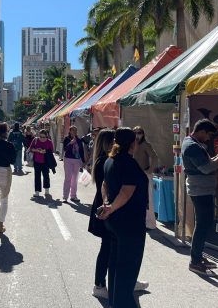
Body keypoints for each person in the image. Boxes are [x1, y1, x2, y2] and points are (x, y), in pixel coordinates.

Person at [98, 127, 149, 308]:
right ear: (133, 143)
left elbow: (104, 185)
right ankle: (123, 304)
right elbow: (126, 192)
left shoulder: (110, 161)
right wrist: (110, 208)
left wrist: (107, 205)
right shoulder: (128, 163)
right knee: (127, 268)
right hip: (129, 223)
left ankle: (115, 302)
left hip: (115, 222)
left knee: (116, 265)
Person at [182, 119, 218, 275]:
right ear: (202, 131)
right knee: (203, 224)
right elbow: (206, 168)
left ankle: (197, 256)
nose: (210, 138)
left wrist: (216, 158)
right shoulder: (192, 146)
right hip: (200, 190)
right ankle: (195, 261)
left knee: (202, 224)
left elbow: (206, 163)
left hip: (201, 189)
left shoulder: (192, 143)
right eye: (209, 135)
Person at [88, 129, 115, 299]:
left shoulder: (101, 160)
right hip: (105, 207)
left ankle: (117, 280)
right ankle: (99, 284)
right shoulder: (105, 161)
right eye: (113, 141)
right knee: (107, 247)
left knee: (110, 247)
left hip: (104, 206)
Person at [133, 126, 159, 230]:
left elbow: (155, 157)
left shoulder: (145, 145)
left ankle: (150, 223)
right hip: (134, 175)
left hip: (144, 174)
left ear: (143, 134)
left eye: (139, 132)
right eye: (135, 132)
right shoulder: (132, 145)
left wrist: (150, 170)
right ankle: (140, 221)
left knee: (148, 199)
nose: (137, 134)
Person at [62, 126, 86, 203]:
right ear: (70, 131)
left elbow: (81, 151)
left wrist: (83, 161)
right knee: (68, 177)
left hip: (77, 160)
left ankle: (73, 196)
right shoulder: (66, 139)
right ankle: (65, 196)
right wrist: (70, 143)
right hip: (68, 159)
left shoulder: (79, 140)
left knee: (75, 178)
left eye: (75, 130)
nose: (74, 132)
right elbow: (64, 149)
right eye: (73, 130)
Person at [28, 129, 54, 198]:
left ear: (46, 136)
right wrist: (37, 150)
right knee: (37, 176)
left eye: (44, 137)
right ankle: (37, 191)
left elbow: (51, 151)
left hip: (45, 162)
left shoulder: (49, 142)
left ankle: (47, 190)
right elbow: (30, 149)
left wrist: (45, 151)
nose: (42, 138)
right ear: (38, 135)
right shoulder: (35, 140)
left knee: (46, 176)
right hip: (37, 161)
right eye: (41, 137)